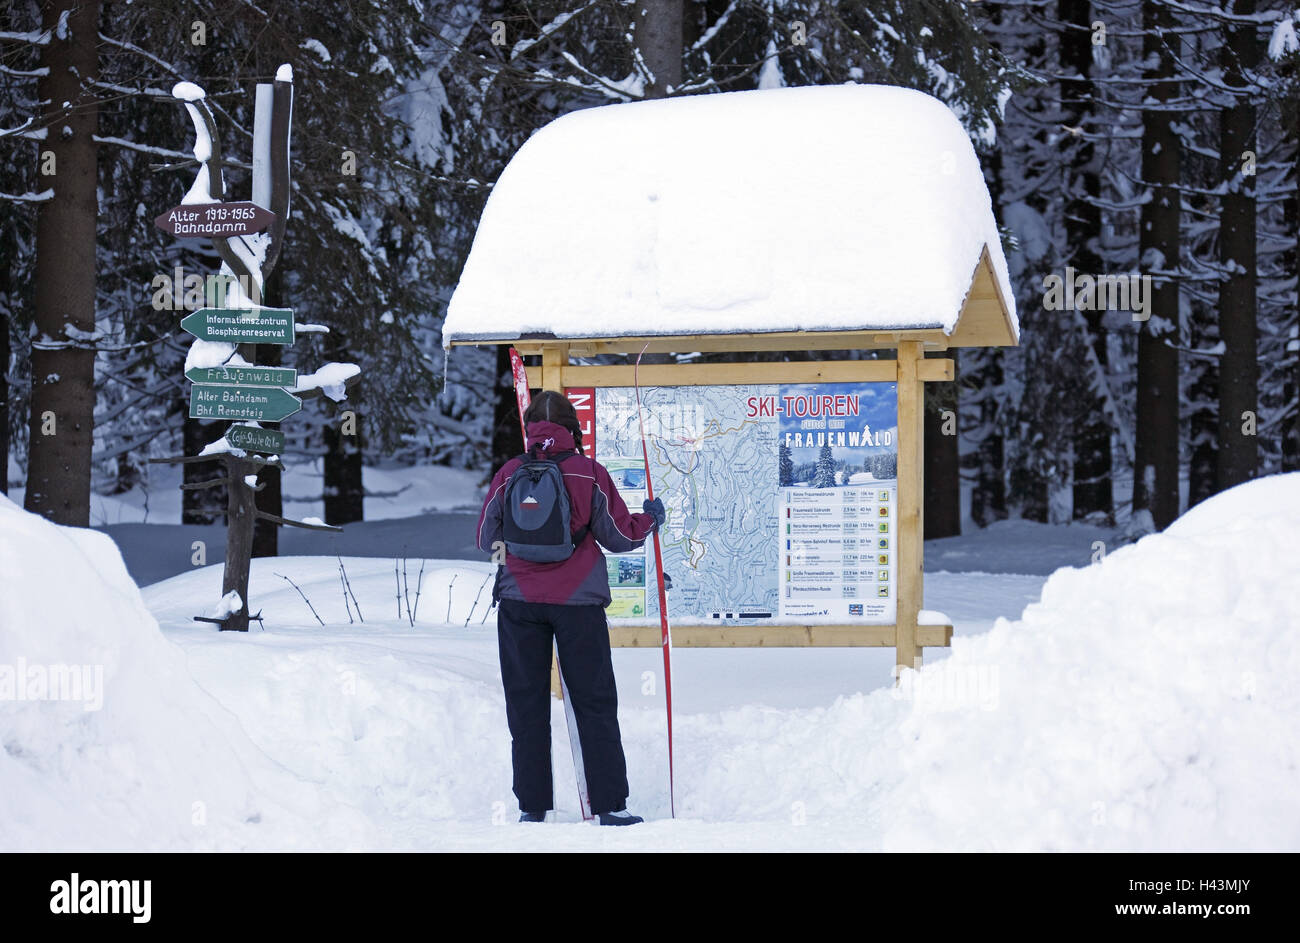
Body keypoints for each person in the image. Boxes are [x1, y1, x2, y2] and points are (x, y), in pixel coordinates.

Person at [476, 390, 666, 825]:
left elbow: (486, 541)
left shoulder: (509, 474)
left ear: (530, 429)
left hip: (518, 605)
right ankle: (610, 807)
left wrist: (517, 563)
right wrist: (651, 518)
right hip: (578, 604)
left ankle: (533, 807)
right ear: (572, 427)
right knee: (593, 702)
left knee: (525, 704)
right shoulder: (589, 474)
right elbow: (621, 537)